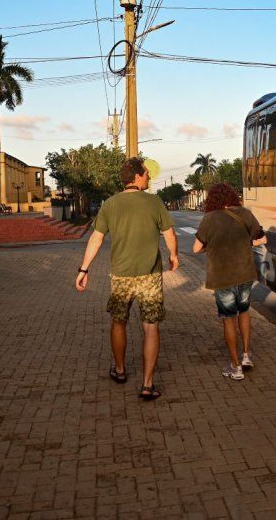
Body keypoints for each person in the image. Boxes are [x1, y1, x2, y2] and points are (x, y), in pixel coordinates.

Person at [75, 157, 179, 400]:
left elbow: (96, 239)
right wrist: (174, 255)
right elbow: (169, 233)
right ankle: (147, 384)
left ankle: (120, 371)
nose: (149, 178)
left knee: (118, 321)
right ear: (137, 176)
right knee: (150, 327)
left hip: (120, 276)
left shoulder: (110, 204)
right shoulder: (154, 202)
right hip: (150, 276)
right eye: (146, 174)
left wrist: (83, 269)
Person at [192, 183, 265, 381]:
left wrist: (212, 246)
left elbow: (196, 249)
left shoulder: (209, 219)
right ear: (232, 196)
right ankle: (247, 355)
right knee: (244, 312)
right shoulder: (246, 214)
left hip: (223, 277)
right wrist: (246, 242)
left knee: (228, 319)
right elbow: (261, 239)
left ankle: (235, 367)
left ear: (212, 199)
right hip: (245, 274)